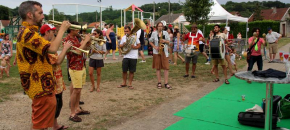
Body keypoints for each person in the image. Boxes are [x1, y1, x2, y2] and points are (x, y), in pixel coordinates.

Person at [16, 1, 70, 129]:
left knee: (41, 122)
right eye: (40, 13)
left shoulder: (30, 31)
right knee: (40, 125)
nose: (43, 16)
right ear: (30, 15)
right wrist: (61, 30)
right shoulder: (27, 33)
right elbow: (52, 48)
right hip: (39, 86)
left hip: (42, 85)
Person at [40, 24, 71, 130]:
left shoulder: (49, 45)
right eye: (52, 32)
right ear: (46, 32)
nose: (54, 34)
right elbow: (57, 61)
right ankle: (48, 126)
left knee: (58, 103)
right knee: (54, 104)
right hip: (51, 81)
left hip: (56, 79)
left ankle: (55, 125)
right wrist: (65, 49)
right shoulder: (45, 46)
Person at [63, 21, 91, 122]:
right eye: (76, 28)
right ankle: (72, 113)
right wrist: (85, 41)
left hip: (81, 65)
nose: (78, 30)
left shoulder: (75, 38)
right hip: (75, 67)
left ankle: (77, 109)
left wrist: (88, 42)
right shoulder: (68, 40)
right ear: (71, 29)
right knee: (76, 90)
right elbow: (78, 51)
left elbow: (83, 49)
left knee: (79, 89)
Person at [149, 22, 172, 89]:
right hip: (157, 52)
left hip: (164, 52)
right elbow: (150, 41)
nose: (160, 27)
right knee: (158, 67)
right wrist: (155, 47)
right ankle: (159, 82)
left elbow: (169, 42)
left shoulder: (165, 33)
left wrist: (164, 41)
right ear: (157, 27)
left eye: (161, 26)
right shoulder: (154, 33)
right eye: (159, 26)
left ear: (163, 27)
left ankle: (166, 83)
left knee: (166, 68)